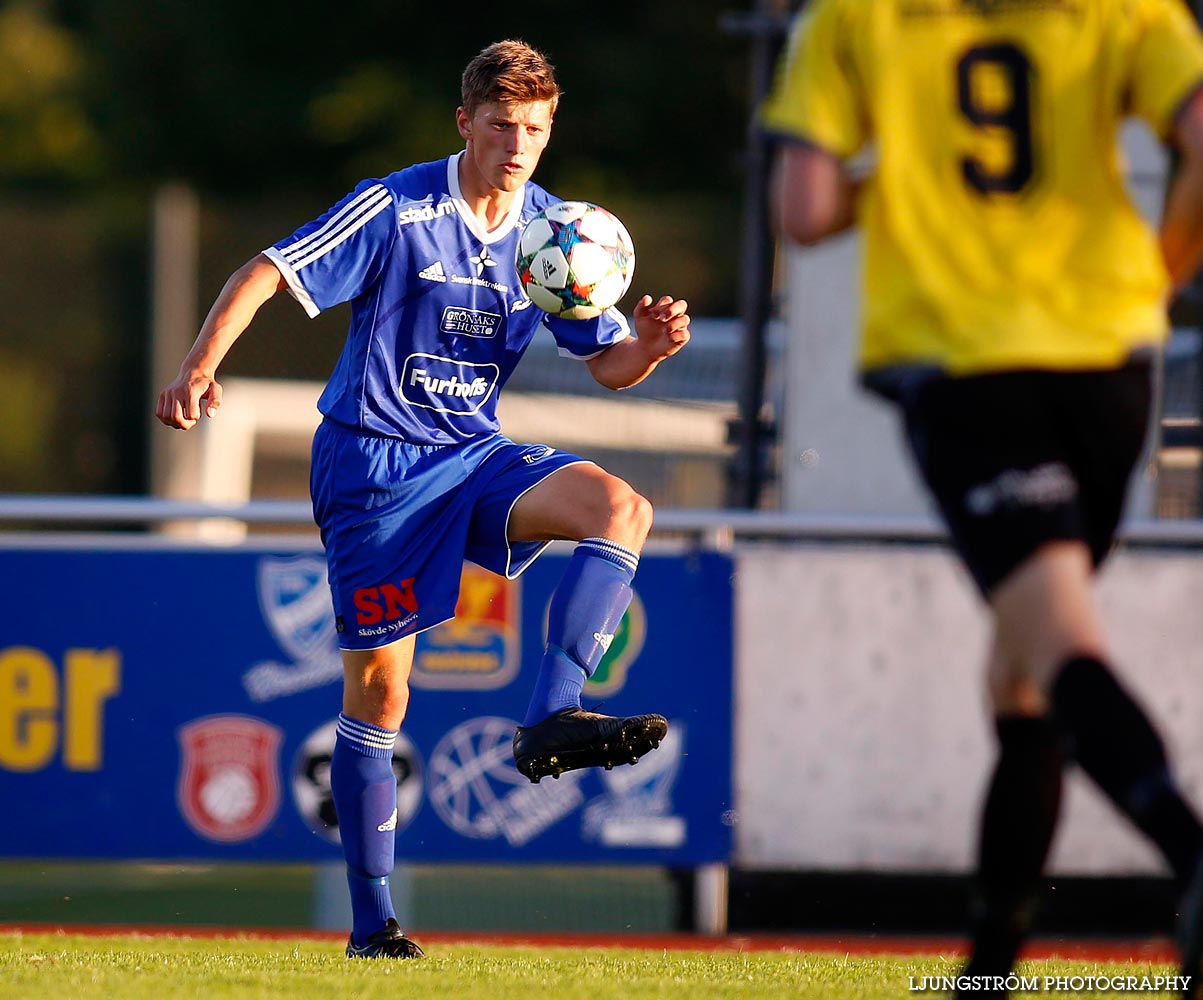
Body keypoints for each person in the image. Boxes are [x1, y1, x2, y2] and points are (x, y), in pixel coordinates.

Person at [156, 38, 689, 959]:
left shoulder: (557, 230)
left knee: (619, 509)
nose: (516, 147)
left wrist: (646, 346)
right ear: (464, 123)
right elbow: (269, 270)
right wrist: (201, 366)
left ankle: (551, 717)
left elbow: (605, 365)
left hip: (472, 453)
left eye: (533, 130)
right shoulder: (399, 206)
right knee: (382, 693)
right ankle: (373, 927)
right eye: (499, 127)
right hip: (374, 471)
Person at [762, 0, 1203, 994]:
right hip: (1111, 360)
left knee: (1053, 646)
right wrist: (1161, 273)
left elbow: (804, 210)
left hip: (970, 367)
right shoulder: (1128, 8)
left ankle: (1190, 851)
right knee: (1021, 675)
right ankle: (989, 966)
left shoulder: (850, 19)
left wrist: (894, 185)